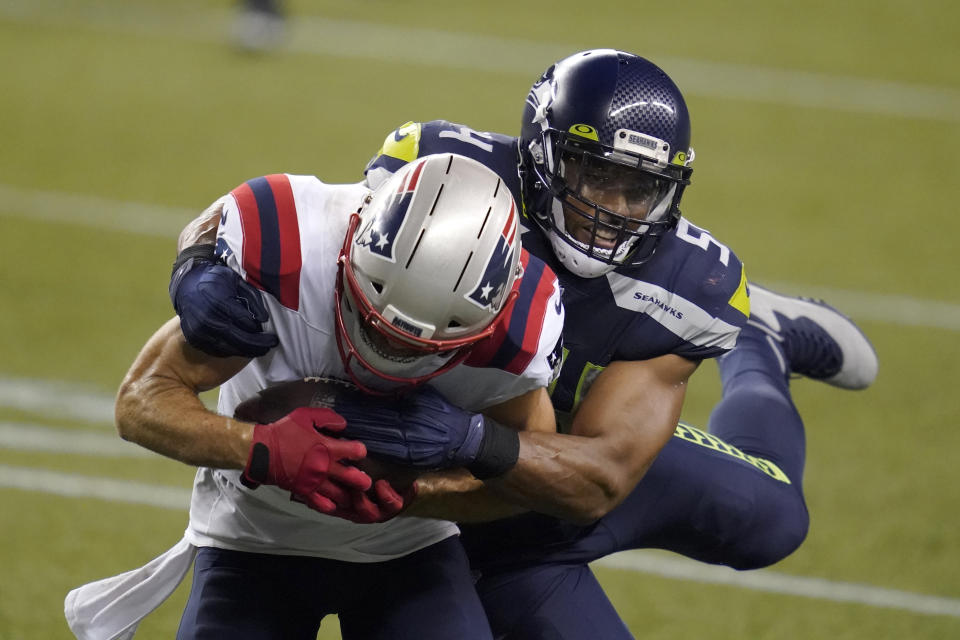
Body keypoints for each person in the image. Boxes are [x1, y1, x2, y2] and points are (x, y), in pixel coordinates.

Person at [165, 50, 879, 638]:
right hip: (454, 509)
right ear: (540, 153)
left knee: (774, 522)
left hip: (545, 460)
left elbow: (599, 478)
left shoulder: (685, 283)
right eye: (596, 173)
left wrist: (469, 436)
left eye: (641, 189)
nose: (614, 209)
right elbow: (298, 217)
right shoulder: (449, 178)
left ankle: (762, 347)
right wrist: (194, 265)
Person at [66, 153, 570, 640]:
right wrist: (263, 448)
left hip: (408, 550)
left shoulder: (514, 338)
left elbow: (521, 485)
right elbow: (141, 401)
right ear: (352, 240)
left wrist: (416, 493)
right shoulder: (294, 252)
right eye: (375, 320)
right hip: (251, 538)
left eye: (414, 345)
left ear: (490, 318)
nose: (387, 348)